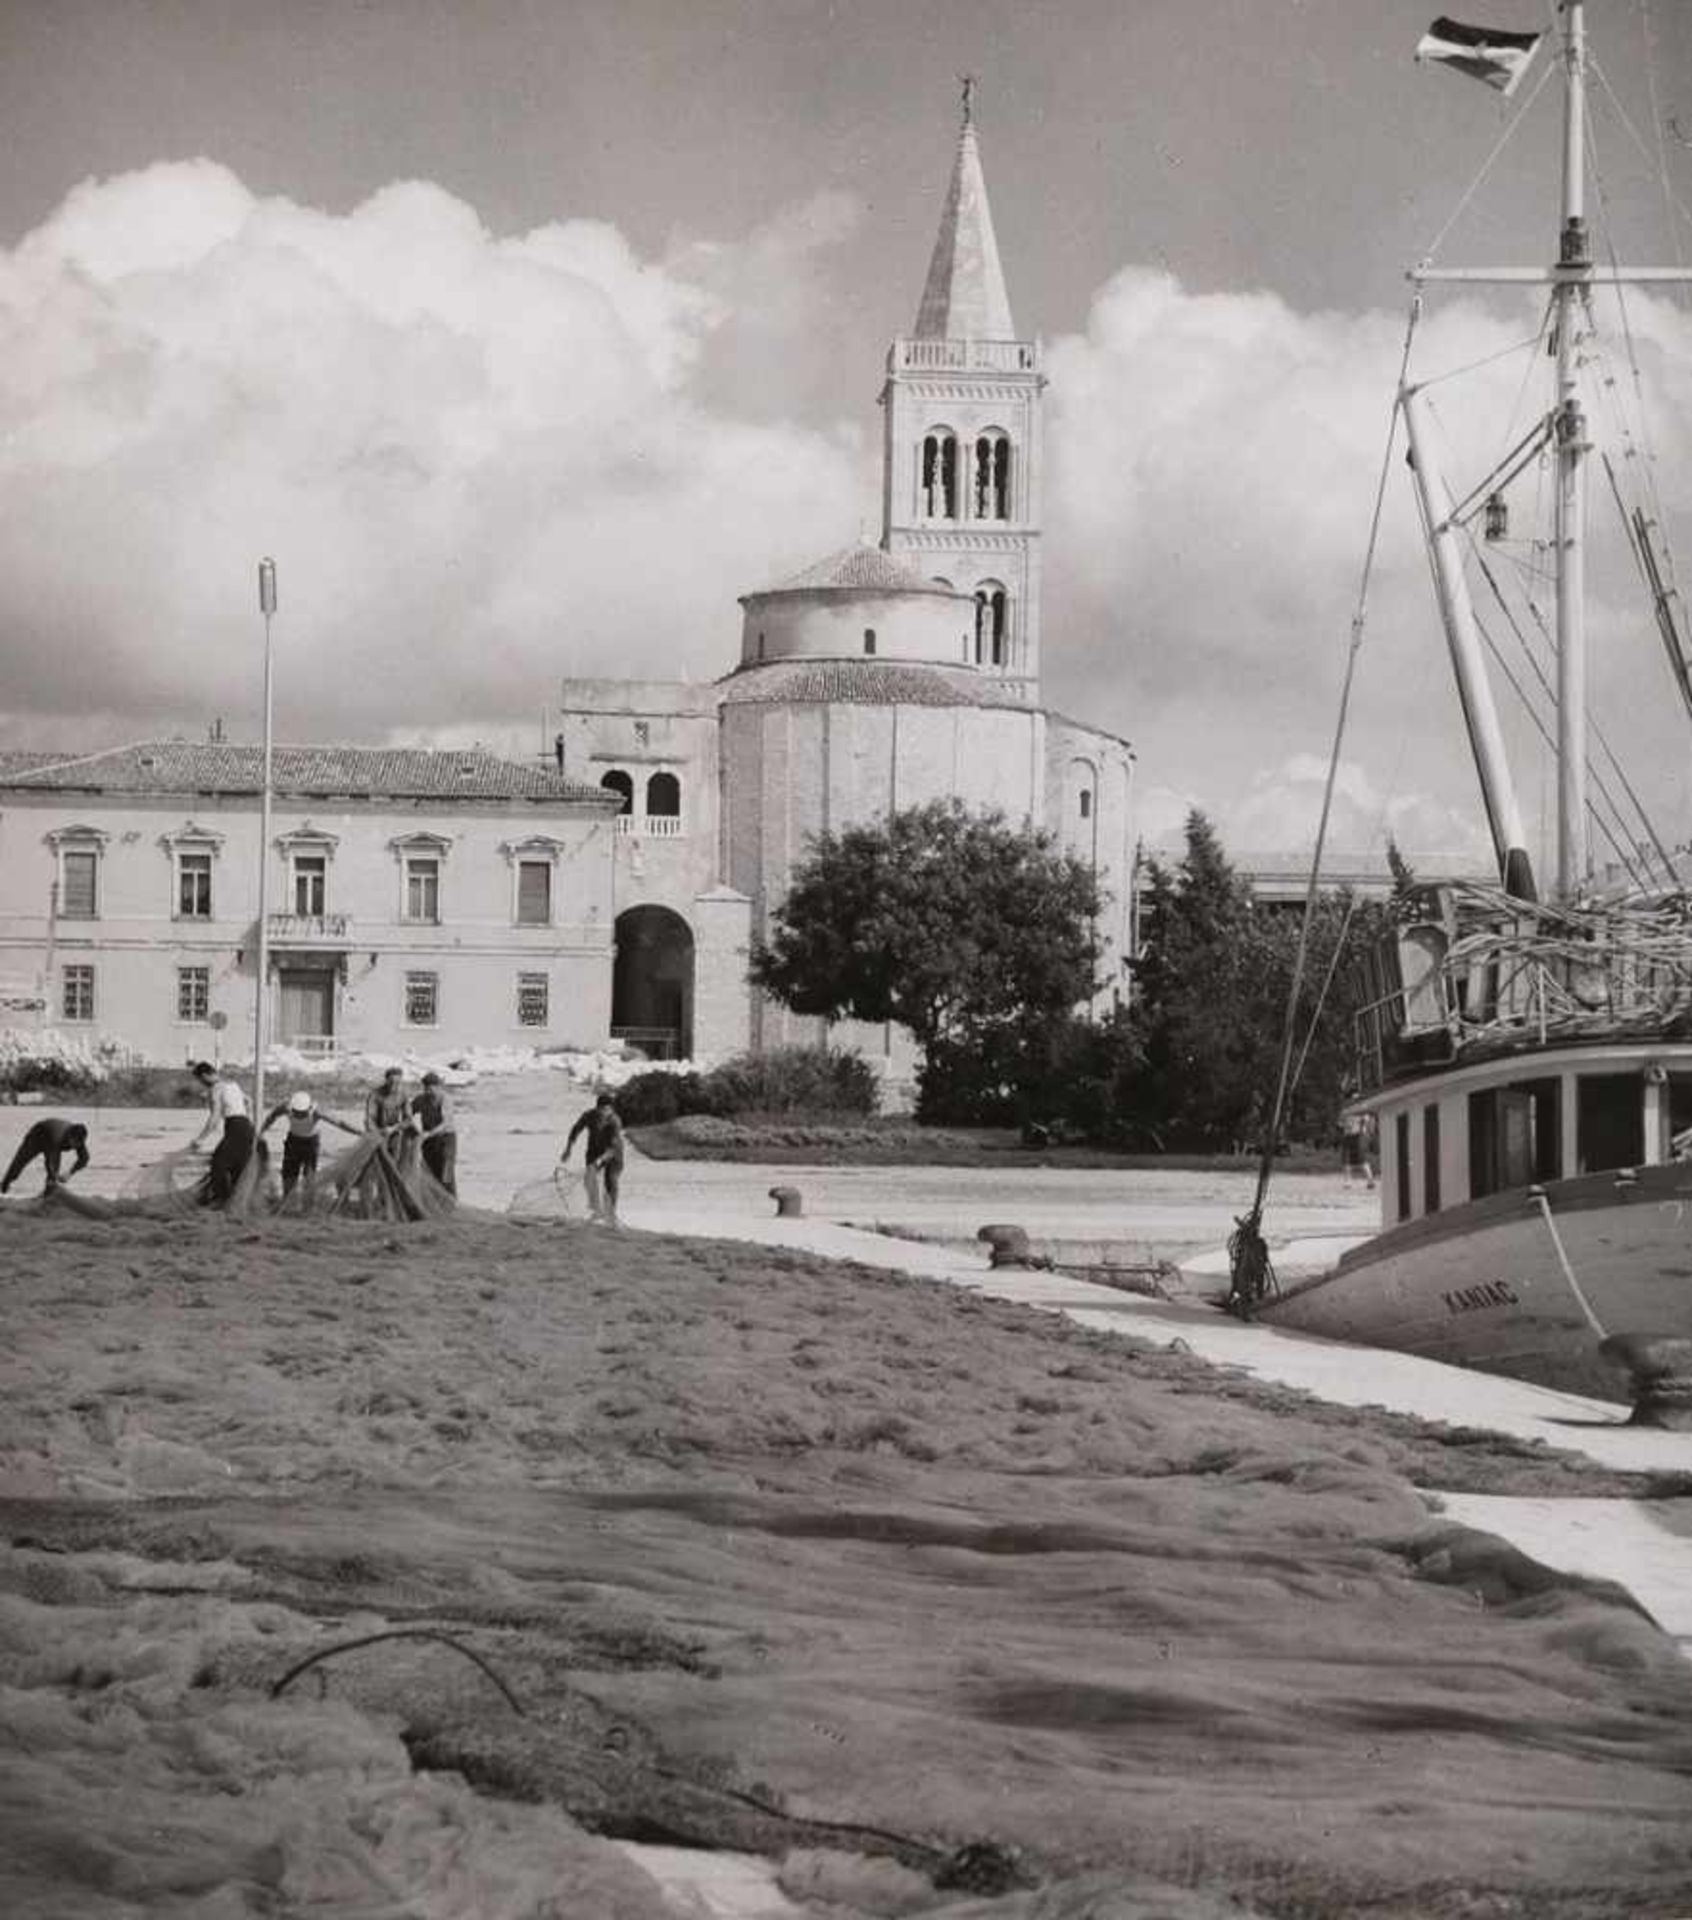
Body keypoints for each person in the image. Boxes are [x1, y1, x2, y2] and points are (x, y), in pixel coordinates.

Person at [260, 1088, 360, 1197]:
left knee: (309, 1175)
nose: (299, 1115)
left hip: (310, 1143)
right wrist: (261, 1131)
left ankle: (308, 1203)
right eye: (296, 1112)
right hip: (293, 1141)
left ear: (308, 1108)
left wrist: (358, 1132)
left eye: (302, 1113)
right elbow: (271, 1117)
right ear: (292, 1108)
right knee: (288, 1174)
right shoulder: (285, 1108)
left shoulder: (316, 1112)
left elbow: (340, 1123)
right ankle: (287, 1201)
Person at [190, 1060, 255, 1205]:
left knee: (218, 1164)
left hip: (235, 1127)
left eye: (201, 1080)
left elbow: (214, 1118)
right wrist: (248, 1119)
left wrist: (200, 1139)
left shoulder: (216, 1089)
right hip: (246, 1127)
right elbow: (249, 1101)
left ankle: (222, 1200)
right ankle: (235, 1202)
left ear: (206, 1075)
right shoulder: (233, 1085)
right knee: (238, 1168)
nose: (202, 1084)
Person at [564, 1091, 626, 1224]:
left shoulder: (614, 1122)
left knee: (611, 1180)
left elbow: (612, 1148)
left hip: (614, 1154)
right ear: (596, 1108)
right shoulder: (589, 1116)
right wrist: (568, 1149)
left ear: (611, 1110)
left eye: (607, 1110)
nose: (604, 1113)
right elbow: (576, 1129)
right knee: (589, 1180)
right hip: (594, 1151)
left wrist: (600, 1160)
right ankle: (596, 1210)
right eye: (601, 1109)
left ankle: (611, 1214)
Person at [2, 1117, 90, 1195]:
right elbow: (52, 1161)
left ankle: (48, 1195)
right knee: (20, 1161)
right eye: (74, 1143)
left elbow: (84, 1159)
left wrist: (70, 1173)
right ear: (70, 1136)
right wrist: (54, 1176)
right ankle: (4, 1185)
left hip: (52, 1138)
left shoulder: (79, 1139)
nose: (75, 1146)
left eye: (78, 1144)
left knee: (52, 1176)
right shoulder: (58, 1137)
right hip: (37, 1135)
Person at [410, 1070, 458, 1196]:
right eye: (426, 1088)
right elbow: (407, 1113)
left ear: (438, 1086)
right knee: (430, 1171)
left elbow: (445, 1123)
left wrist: (428, 1133)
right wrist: (411, 1129)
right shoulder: (421, 1099)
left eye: (431, 1089)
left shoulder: (445, 1099)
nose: (428, 1092)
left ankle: (450, 1203)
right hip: (428, 1140)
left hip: (446, 1139)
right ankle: (434, 1202)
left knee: (446, 1172)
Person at [364, 1066, 409, 1138]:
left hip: (394, 1131)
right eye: (391, 1082)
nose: (394, 1085)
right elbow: (369, 1119)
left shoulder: (403, 1095)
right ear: (386, 1081)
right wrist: (375, 1132)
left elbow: (408, 1119)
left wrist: (394, 1128)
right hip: (376, 1132)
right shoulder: (375, 1095)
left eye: (397, 1082)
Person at [1340, 1110, 1376, 1189]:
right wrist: (1345, 1124)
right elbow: (1340, 1123)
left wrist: (1362, 1121)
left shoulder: (1363, 1111)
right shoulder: (1347, 1111)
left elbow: (1367, 1121)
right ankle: (1347, 1182)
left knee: (1362, 1159)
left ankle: (1370, 1181)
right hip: (1347, 1136)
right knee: (1346, 1160)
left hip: (1359, 1137)